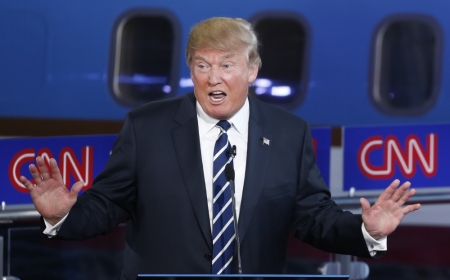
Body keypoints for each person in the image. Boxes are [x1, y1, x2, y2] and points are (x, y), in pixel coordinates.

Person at [20, 17, 420, 279]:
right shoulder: (147, 127)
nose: (214, 78)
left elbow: (312, 216)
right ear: (190, 70)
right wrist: (63, 217)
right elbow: (108, 204)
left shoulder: (288, 132)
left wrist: (366, 231)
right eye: (202, 65)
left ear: (251, 71)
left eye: (226, 65)